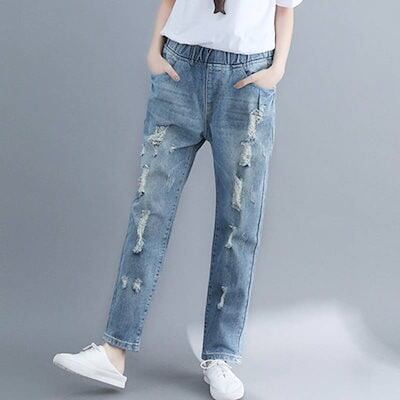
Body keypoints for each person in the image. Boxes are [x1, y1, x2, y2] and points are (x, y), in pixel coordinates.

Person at [53, 0, 303, 399]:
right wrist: (154, 51)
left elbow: (285, 9)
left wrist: (277, 70)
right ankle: (114, 352)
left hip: (246, 81)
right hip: (179, 72)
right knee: (148, 210)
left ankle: (220, 355)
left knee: (239, 224)